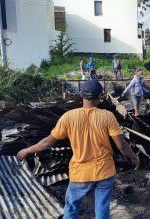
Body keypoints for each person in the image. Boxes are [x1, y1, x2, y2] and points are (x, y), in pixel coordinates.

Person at [16, 80, 140, 219]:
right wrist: (134, 157)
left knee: (71, 207)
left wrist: (27, 150)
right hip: (105, 171)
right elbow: (121, 145)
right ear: (100, 96)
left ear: (81, 95)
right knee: (102, 209)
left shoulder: (69, 117)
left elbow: (48, 142)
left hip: (80, 173)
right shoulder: (108, 116)